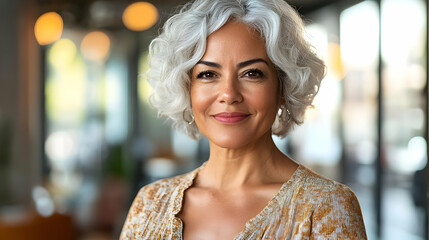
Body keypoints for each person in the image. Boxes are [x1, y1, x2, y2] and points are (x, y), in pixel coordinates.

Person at [120, 0, 367, 239]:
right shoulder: (150, 202)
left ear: (284, 88)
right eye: (208, 74)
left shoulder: (325, 206)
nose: (229, 93)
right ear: (187, 89)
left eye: (252, 73)